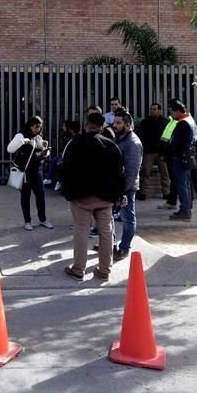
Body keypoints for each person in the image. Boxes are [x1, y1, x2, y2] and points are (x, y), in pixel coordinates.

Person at [61, 112, 124, 282]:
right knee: (106, 232)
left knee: (81, 230)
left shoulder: (74, 144)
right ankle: (104, 269)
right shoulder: (112, 146)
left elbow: (65, 170)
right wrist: (119, 194)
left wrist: (68, 193)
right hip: (105, 198)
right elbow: (120, 173)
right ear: (102, 127)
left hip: (81, 196)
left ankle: (78, 269)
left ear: (86, 124)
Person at [7, 115, 54, 231]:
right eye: (35, 127)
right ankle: (27, 221)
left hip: (36, 171)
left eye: (40, 127)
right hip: (24, 172)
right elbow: (10, 149)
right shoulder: (21, 135)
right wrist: (23, 142)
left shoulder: (38, 137)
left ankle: (43, 219)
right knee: (25, 196)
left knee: (41, 196)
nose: (38, 129)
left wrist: (45, 153)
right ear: (30, 126)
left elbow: (40, 151)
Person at [112, 110, 143, 262]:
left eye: (118, 123)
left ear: (128, 125)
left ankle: (124, 248)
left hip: (126, 188)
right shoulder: (122, 139)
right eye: (114, 122)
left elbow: (131, 171)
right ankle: (111, 245)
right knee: (113, 216)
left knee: (128, 218)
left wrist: (123, 192)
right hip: (118, 187)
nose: (114, 125)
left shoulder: (132, 144)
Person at [164, 99, 196, 221]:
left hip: (180, 156)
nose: (171, 115)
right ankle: (187, 207)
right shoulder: (190, 120)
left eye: (172, 112)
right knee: (186, 183)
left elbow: (176, 142)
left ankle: (185, 210)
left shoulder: (182, 123)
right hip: (188, 155)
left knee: (181, 184)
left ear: (177, 111)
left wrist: (169, 151)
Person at [135, 102, 170, 201]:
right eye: (151, 109)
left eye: (154, 109)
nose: (152, 111)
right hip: (149, 152)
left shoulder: (165, 122)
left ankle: (166, 193)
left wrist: (165, 150)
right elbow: (140, 135)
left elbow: (168, 138)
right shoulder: (145, 122)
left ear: (159, 110)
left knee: (165, 173)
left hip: (162, 152)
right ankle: (143, 193)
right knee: (145, 172)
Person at [44, 120, 79, 191]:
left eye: (63, 126)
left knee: (56, 161)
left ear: (70, 129)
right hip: (65, 156)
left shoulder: (74, 138)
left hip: (68, 158)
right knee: (54, 161)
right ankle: (53, 180)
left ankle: (53, 180)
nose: (62, 127)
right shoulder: (66, 136)